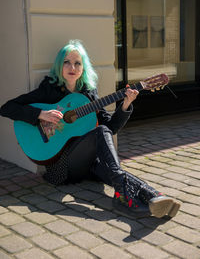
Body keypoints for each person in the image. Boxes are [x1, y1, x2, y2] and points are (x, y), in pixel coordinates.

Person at [0, 39, 180, 218]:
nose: (72, 67)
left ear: (83, 67)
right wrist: (40, 114)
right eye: (67, 62)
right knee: (103, 139)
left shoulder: (89, 94)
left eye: (78, 63)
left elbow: (110, 128)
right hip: (60, 168)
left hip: (86, 164)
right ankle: (126, 197)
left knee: (110, 166)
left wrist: (124, 106)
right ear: (59, 66)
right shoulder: (49, 90)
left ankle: (154, 196)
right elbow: (7, 108)